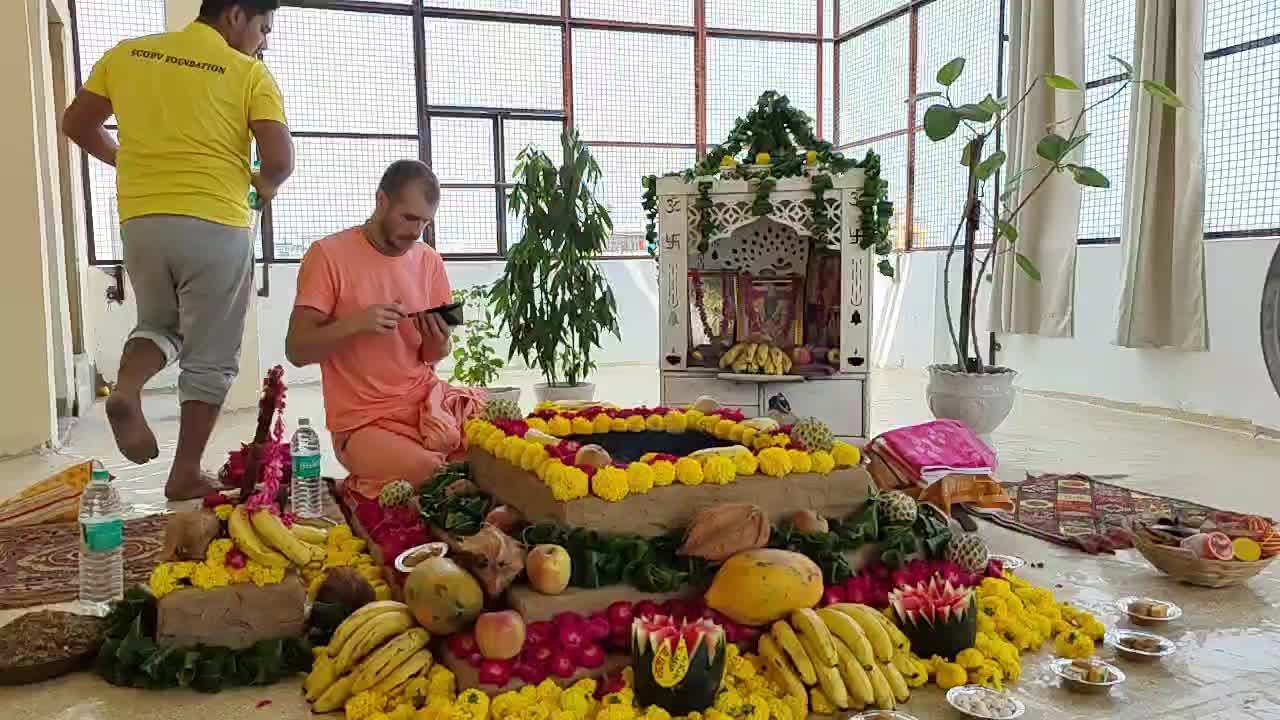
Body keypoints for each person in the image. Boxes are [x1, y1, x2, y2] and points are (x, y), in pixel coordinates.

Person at [63, 0, 294, 500]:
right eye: (263, 27)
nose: (264, 41)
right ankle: (184, 472)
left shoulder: (128, 54)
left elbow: (76, 123)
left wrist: (126, 160)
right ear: (236, 15)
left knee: (158, 325)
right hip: (216, 222)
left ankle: (127, 391)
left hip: (143, 221)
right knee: (211, 357)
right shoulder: (248, 73)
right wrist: (265, 185)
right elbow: (279, 159)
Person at [286, 160, 485, 499]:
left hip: (426, 403)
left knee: (496, 450)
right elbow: (297, 350)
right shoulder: (327, 255)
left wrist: (437, 340)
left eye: (424, 222)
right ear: (381, 201)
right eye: (408, 218)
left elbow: (433, 355)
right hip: (363, 424)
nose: (416, 231)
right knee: (438, 475)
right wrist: (355, 324)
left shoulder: (428, 260)